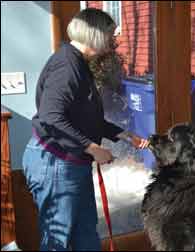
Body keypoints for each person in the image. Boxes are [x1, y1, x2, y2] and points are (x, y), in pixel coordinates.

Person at [22, 8, 149, 251]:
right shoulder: (67, 66)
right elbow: (51, 117)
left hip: (71, 164)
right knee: (59, 240)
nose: (114, 41)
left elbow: (84, 116)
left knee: (86, 235)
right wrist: (92, 148)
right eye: (111, 35)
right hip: (55, 163)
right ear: (96, 35)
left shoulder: (79, 63)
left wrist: (123, 134)